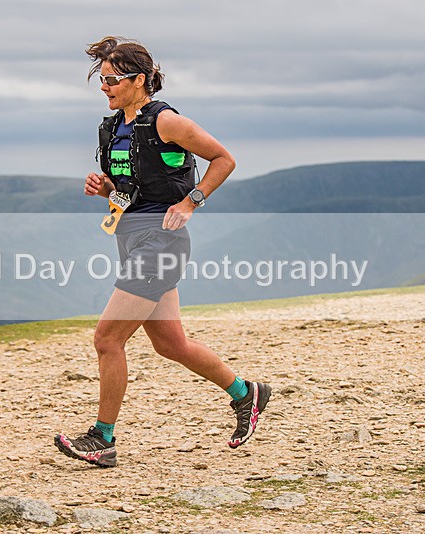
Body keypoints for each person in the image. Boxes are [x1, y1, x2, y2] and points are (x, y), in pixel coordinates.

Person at [54, 36, 270, 467]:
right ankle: (247, 393)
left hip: (162, 242)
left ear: (139, 80)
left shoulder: (167, 121)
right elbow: (135, 188)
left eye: (112, 79)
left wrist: (191, 201)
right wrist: (106, 190)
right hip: (131, 236)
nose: (104, 87)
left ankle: (103, 439)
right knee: (171, 344)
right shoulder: (115, 126)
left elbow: (223, 159)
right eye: (101, 79)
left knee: (107, 339)